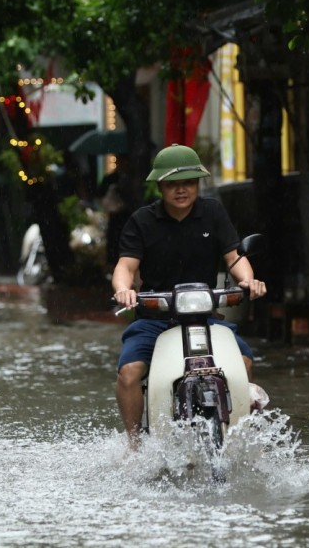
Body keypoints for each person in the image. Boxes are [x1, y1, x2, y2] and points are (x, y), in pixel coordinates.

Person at [111, 143, 267, 446]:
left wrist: (249, 280)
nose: (181, 190)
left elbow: (234, 256)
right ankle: (135, 445)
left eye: (188, 183)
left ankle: (236, 435)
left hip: (203, 317)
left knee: (244, 360)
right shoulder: (142, 221)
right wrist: (123, 289)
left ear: (198, 184)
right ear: (160, 186)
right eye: (172, 184)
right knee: (129, 373)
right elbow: (125, 266)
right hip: (154, 319)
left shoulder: (213, 212)